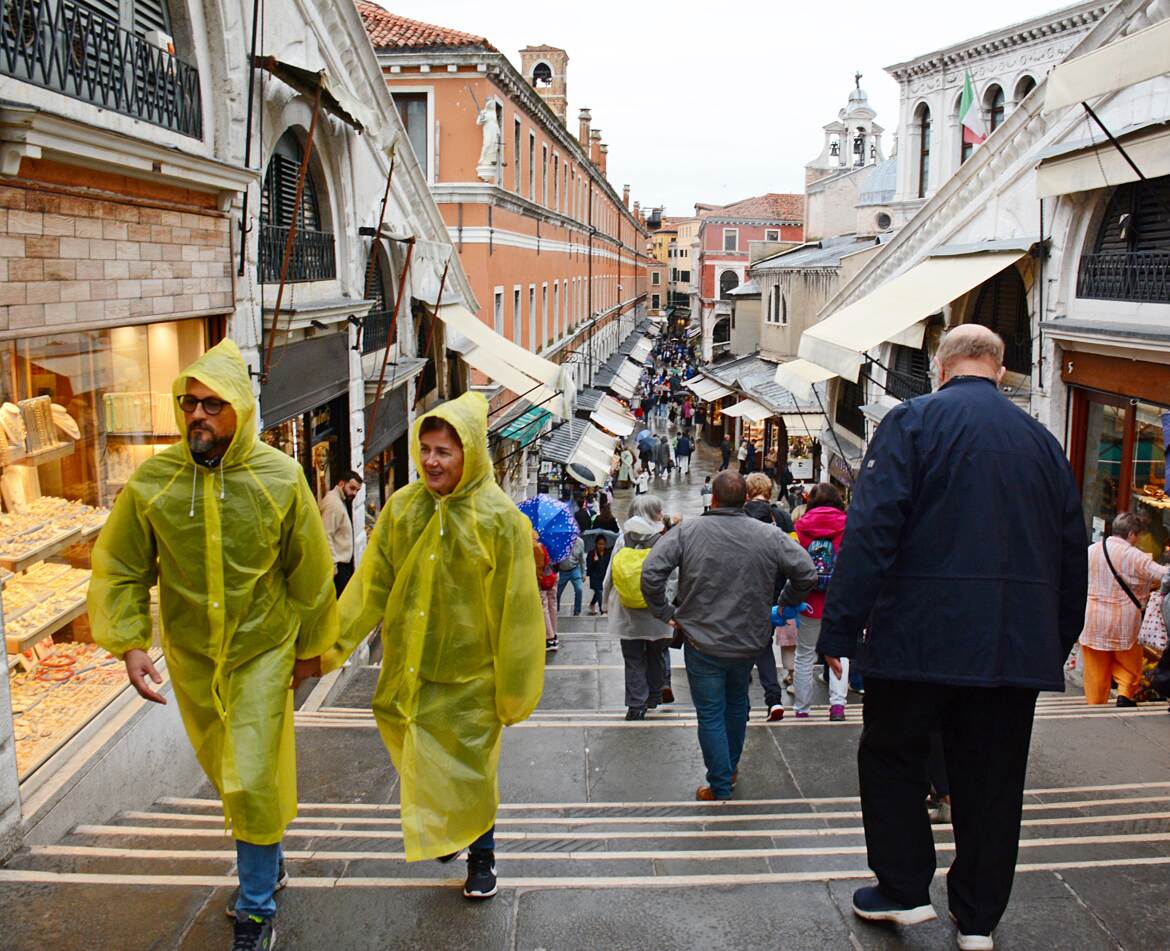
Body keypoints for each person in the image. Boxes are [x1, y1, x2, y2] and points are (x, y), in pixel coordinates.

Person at [816, 325, 1089, 947]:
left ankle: (904, 889)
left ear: (940, 367)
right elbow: (1073, 551)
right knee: (993, 783)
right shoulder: (1043, 443)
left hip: (917, 637)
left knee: (891, 756)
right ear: (1001, 370)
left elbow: (873, 529)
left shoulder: (912, 423)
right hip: (1012, 647)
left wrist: (840, 627)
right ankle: (978, 919)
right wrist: (1056, 639)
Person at [89, 339, 338, 951]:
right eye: (189, 403)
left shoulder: (280, 480)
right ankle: (268, 857)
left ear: (241, 412)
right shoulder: (154, 483)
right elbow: (122, 566)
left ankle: (255, 909)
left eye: (212, 404)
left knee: (252, 774)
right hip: (194, 657)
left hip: (263, 650)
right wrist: (130, 643)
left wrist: (313, 651)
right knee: (233, 776)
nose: (197, 414)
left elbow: (310, 572)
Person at [303, 392, 545, 901]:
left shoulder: (501, 521)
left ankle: (483, 859)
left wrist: (514, 691)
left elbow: (517, 613)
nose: (432, 461)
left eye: (444, 451)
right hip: (410, 671)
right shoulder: (403, 510)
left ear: (470, 456)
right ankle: (447, 830)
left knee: (473, 772)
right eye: (427, 448)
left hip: (473, 678)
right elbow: (369, 587)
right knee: (426, 764)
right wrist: (326, 650)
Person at [641, 471, 817, 801]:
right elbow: (806, 572)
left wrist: (666, 613)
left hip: (701, 639)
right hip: (749, 638)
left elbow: (651, 573)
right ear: (746, 500)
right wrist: (785, 603)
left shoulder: (687, 530)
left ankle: (720, 782)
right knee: (737, 705)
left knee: (710, 712)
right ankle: (730, 769)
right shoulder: (769, 534)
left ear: (714, 499)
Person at [1079, 512, 1168, 705]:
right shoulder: (1134, 555)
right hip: (1124, 619)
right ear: (1132, 534)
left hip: (1092, 617)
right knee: (1128, 663)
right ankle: (1124, 694)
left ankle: (1095, 703)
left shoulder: (1092, 550)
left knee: (1095, 667)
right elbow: (1162, 574)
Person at [606, 497, 676, 720]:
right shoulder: (664, 540)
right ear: (654, 513)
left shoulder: (623, 539)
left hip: (627, 609)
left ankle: (636, 705)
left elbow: (610, 573)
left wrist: (605, 597)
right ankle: (653, 696)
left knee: (633, 656)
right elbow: (674, 576)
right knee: (656, 653)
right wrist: (668, 603)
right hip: (656, 610)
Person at [793, 483, 850, 721]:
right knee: (841, 651)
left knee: (804, 654)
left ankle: (802, 709)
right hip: (839, 598)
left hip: (809, 600)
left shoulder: (801, 526)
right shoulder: (848, 524)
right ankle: (837, 706)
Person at [743, 473, 791, 721]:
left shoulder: (738, 515)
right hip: (773, 590)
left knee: (740, 648)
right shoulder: (781, 516)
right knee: (763, 646)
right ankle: (774, 700)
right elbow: (795, 556)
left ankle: (743, 706)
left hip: (742, 590)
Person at [320, 470, 362, 596]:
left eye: (357, 490)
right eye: (352, 488)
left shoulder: (338, 500)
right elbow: (326, 535)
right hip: (338, 567)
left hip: (341, 565)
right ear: (341, 484)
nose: (354, 493)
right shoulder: (333, 503)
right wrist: (333, 567)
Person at [534, 529, 559, 652]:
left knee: (544, 606)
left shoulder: (539, 545)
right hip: (553, 575)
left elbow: (539, 566)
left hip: (543, 578)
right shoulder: (555, 540)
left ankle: (549, 638)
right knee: (552, 605)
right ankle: (554, 634)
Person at [557, 533, 586, 616]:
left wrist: (584, 573)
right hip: (562, 570)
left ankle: (577, 610)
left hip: (575, 569)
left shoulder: (580, 542)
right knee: (557, 592)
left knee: (579, 589)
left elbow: (582, 559)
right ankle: (556, 608)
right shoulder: (560, 540)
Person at [586, 535, 612, 616]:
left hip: (604, 576)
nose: (601, 546)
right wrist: (594, 561)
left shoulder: (608, 553)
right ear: (596, 544)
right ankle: (603, 611)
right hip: (595, 577)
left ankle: (592, 604)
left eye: (603, 544)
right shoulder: (592, 553)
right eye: (599, 544)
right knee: (599, 592)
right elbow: (589, 566)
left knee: (598, 593)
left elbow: (609, 564)